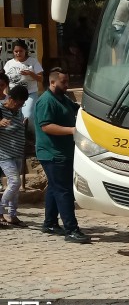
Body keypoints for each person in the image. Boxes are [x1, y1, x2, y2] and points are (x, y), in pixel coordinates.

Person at [34, 67, 89, 243]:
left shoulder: (63, 99)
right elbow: (46, 126)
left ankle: (50, 223)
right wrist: (71, 130)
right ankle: (71, 229)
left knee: (54, 187)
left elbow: (78, 110)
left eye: (67, 81)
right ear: (52, 82)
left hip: (64, 152)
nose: (67, 85)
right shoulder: (46, 101)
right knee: (64, 191)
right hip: (51, 153)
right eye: (63, 82)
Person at [0, 85, 29, 228]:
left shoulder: (19, 112)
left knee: (15, 188)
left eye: (22, 104)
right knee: (15, 182)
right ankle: (1, 209)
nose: (19, 106)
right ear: (10, 99)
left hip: (18, 153)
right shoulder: (0, 109)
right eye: (17, 103)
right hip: (4, 155)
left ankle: (12, 215)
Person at [4, 39, 44, 133]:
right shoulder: (9, 64)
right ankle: (19, 135)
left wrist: (30, 73)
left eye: (20, 51)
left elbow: (41, 79)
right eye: (16, 51)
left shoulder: (33, 61)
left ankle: (31, 135)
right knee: (13, 117)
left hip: (30, 94)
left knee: (28, 115)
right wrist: (6, 94)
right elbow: (5, 81)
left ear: (25, 50)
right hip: (13, 96)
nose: (18, 53)